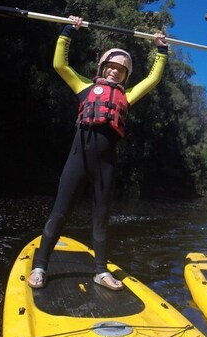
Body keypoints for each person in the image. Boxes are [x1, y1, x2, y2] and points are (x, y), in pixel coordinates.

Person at [28, 16, 169, 290]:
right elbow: (60, 64)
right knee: (60, 212)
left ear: (126, 76)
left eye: (121, 70)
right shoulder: (84, 87)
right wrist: (69, 31)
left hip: (105, 165)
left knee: (101, 216)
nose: (115, 72)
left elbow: (153, 79)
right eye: (111, 67)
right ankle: (40, 265)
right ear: (102, 67)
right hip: (76, 160)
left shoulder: (126, 96)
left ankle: (101, 271)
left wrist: (160, 50)